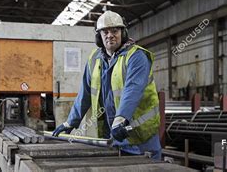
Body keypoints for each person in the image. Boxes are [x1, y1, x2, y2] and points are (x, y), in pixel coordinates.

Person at [52, 10, 162, 160]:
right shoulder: (94, 59)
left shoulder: (137, 57)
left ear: (123, 33)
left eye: (115, 30)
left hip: (139, 133)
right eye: (105, 32)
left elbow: (133, 90)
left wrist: (120, 120)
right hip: (112, 135)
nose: (110, 35)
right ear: (99, 36)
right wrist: (70, 122)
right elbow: (84, 93)